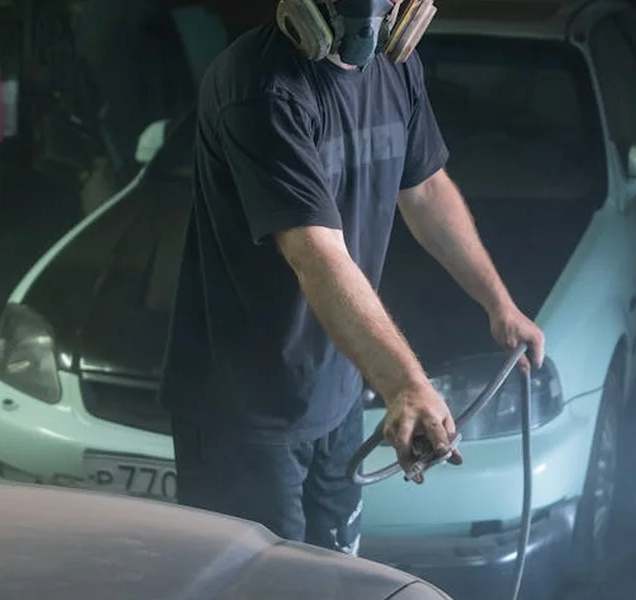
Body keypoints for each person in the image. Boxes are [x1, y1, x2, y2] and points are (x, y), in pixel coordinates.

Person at [157, 0, 546, 555]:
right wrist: (406, 384)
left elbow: (427, 191)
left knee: (338, 580)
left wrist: (498, 303)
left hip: (336, 394)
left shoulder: (396, 68)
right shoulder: (261, 87)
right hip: (245, 419)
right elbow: (317, 255)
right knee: (262, 592)